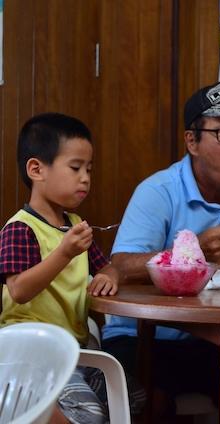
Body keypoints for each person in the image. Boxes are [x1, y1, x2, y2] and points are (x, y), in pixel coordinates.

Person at [101, 79, 220, 423]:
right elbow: (121, 265)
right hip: (149, 337)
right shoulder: (158, 190)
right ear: (192, 141)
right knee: (150, 403)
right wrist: (193, 251)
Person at [0, 113, 120, 424]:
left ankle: (43, 409)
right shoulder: (20, 228)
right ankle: (33, 410)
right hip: (30, 353)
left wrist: (108, 275)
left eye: (89, 169)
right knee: (90, 415)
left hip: (74, 349)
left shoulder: (76, 226)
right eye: (75, 168)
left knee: (133, 396)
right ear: (36, 169)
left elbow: (107, 266)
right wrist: (63, 253)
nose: (85, 178)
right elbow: (19, 290)